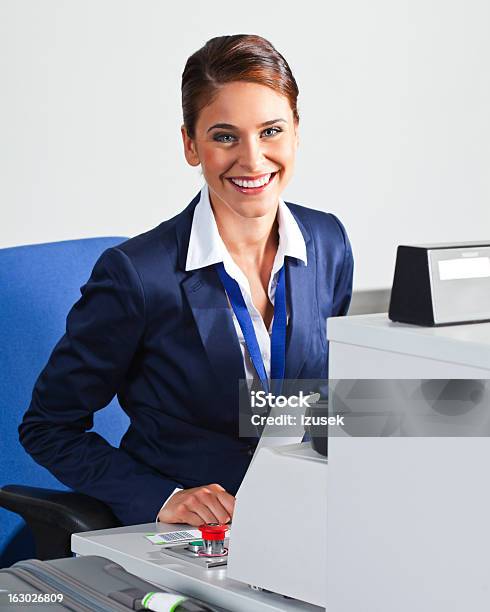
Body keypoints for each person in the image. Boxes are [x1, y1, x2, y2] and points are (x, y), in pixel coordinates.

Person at [19, 34, 353, 527]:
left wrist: (435, 416)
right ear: (191, 145)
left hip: (304, 518)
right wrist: (162, 497)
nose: (253, 159)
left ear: (297, 133)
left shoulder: (328, 241)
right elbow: (48, 428)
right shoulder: (138, 275)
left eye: (271, 131)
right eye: (224, 136)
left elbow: (316, 401)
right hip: (189, 537)